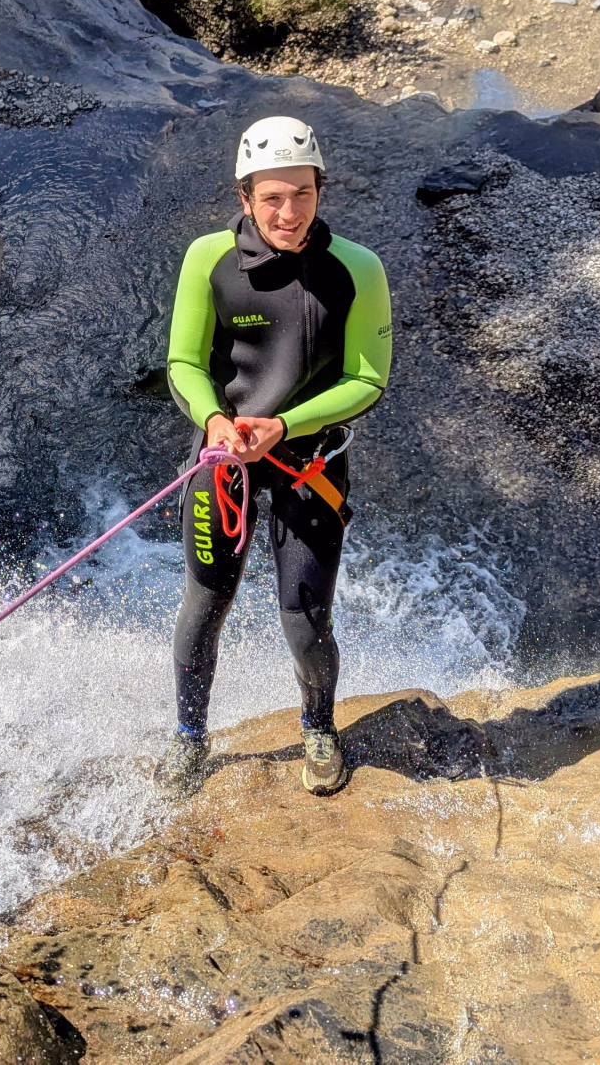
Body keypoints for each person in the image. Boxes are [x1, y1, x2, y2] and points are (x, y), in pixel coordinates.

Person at [161, 116, 392, 796]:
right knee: (206, 601)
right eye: (271, 199)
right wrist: (213, 420)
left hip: (309, 465)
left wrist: (285, 423)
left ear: (321, 190)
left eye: (302, 194)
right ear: (245, 198)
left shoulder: (356, 269)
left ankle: (318, 727)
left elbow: (367, 378)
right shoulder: (209, 259)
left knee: (304, 616)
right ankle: (188, 738)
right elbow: (182, 360)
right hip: (225, 460)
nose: (288, 213)